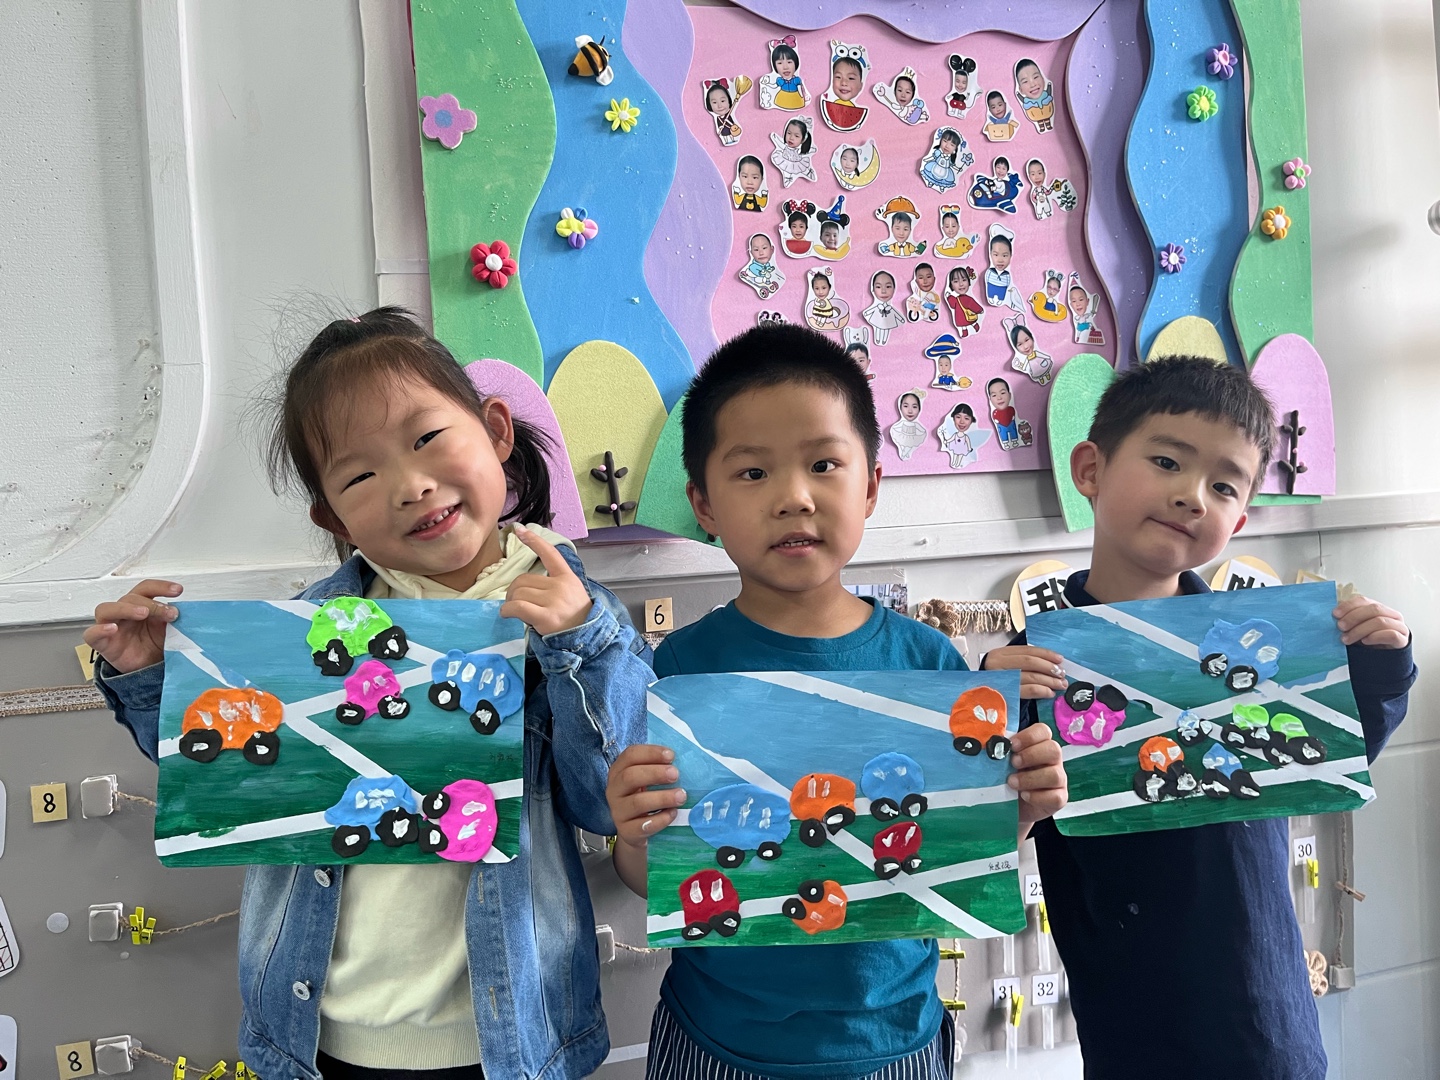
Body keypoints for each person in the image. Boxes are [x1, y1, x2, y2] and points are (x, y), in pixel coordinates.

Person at [86, 308, 651, 1080]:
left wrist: (580, 643)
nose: (411, 485)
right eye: (360, 475)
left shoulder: (576, 618)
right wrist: (152, 674)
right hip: (323, 1030)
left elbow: (612, 801)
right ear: (333, 516)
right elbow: (235, 777)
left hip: (505, 1036)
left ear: (495, 430)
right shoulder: (309, 631)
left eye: (427, 438)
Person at [604, 323, 1068, 1080]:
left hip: (896, 1033)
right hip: (717, 1036)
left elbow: (953, 852)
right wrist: (633, 833)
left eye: (823, 464)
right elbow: (654, 871)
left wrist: (1016, 810)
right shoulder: (679, 672)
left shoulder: (929, 663)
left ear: (871, 486)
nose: (794, 497)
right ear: (704, 504)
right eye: (753, 472)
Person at [982, 356, 1416, 1080]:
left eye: (1223, 485)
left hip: (1272, 1023)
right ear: (1089, 469)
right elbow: (983, 838)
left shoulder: (1260, 648)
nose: (1191, 496)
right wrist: (983, 718)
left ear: (1237, 521)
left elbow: (1336, 753)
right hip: (1136, 1035)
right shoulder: (1033, 668)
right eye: (1166, 461)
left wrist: (1381, 661)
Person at [769, 118, 817, 187]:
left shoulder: (800, 150)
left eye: (796, 136)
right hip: (785, 161)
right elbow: (779, 143)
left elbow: (811, 151)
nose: (791, 138)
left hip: (797, 162)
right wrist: (775, 138)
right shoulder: (785, 146)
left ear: (803, 140)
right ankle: (787, 179)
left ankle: (808, 173)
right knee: (786, 170)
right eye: (789, 133)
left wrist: (812, 150)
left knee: (802, 168)